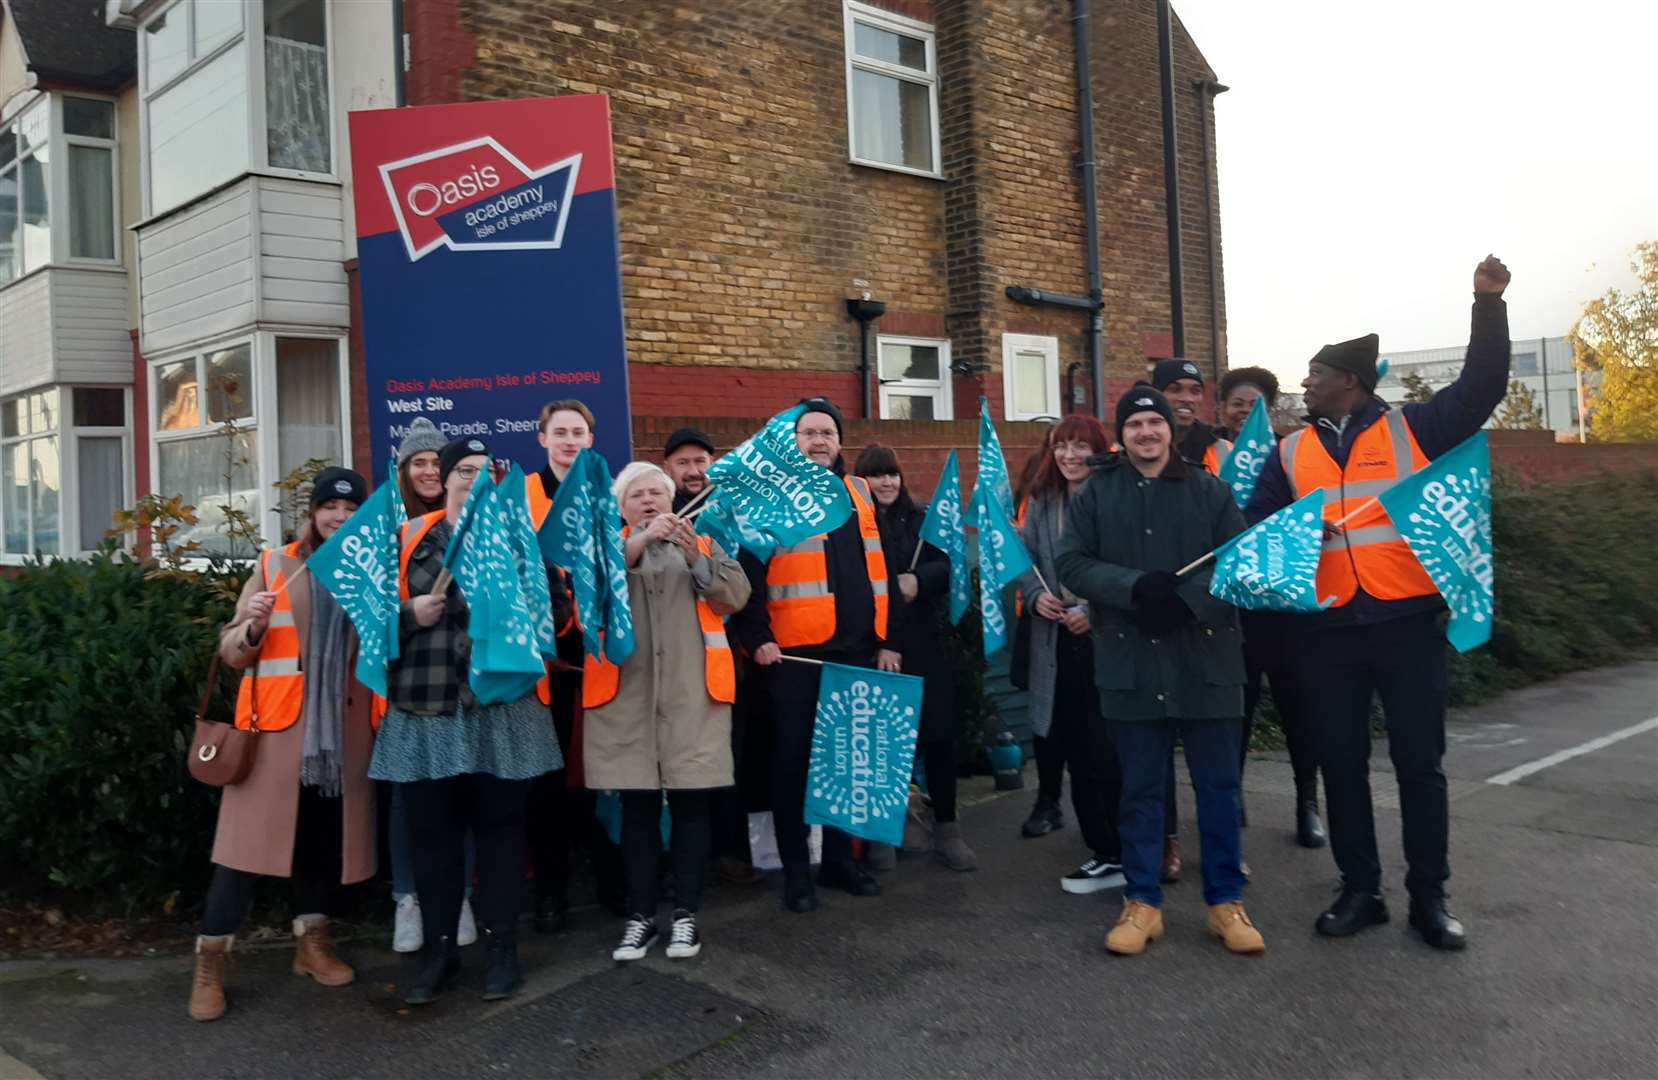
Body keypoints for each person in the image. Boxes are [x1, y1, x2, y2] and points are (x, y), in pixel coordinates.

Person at [1244, 255, 1513, 950]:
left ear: (1350, 383)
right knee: (1341, 763)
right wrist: (1304, 529)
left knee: (1420, 765)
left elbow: (1482, 387)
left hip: (1406, 622)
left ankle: (1431, 897)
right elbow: (1257, 531)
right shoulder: (1289, 452)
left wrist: (1487, 303)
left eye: (1314, 374)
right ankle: (1360, 890)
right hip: (1326, 630)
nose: (1303, 383)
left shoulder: (1412, 430)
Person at [1057, 387, 1263, 957]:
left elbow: (1239, 561)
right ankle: (1143, 903)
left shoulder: (1209, 490)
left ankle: (1226, 903)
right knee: (1141, 793)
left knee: (1219, 790)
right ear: (1121, 435)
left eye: (1155, 422)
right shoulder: (1097, 494)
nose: (1146, 433)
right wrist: (1133, 588)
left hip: (1207, 663)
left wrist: (1187, 602)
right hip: (1131, 664)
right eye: (1134, 425)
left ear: (1170, 429)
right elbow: (1071, 561)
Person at [373, 437, 568, 1005]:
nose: (472, 478)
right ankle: (439, 954)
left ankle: (502, 949)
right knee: (431, 838)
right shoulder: (407, 539)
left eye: (485, 471)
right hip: (425, 710)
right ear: (443, 477)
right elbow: (366, 620)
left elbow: (555, 618)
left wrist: (526, 597)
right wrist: (408, 613)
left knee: (502, 834)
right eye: (463, 469)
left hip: (500, 711)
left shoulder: (518, 539)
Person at [189, 468, 379, 1022]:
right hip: (273, 737)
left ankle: (311, 945)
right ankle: (210, 962)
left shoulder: (367, 571)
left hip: (340, 737)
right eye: (330, 509)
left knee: (319, 844)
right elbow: (231, 651)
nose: (339, 518)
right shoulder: (275, 565)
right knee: (240, 857)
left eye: (350, 511)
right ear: (313, 512)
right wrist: (249, 626)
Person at [583, 462, 751, 960]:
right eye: (639, 495)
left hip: (691, 700)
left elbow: (736, 595)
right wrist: (635, 543)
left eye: (658, 493)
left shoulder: (700, 543)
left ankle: (686, 916)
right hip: (626, 700)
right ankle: (640, 916)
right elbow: (584, 595)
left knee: (690, 808)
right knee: (635, 810)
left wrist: (694, 555)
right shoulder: (604, 546)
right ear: (621, 505)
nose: (651, 502)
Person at [729, 396, 892, 912]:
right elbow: (748, 575)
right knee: (792, 768)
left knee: (846, 768)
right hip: (794, 659)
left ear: (840, 442)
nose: (818, 441)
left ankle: (841, 861)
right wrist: (756, 638)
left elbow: (879, 569)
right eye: (808, 434)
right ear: (791, 443)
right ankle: (798, 872)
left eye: (827, 433)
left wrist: (890, 640)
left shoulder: (860, 493)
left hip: (858, 654)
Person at [1213, 369, 1326, 848]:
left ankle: (1307, 802)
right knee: (1233, 710)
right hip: (1228, 607)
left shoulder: (1290, 452)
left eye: (1254, 402)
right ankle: (1231, 796)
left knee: (1298, 707)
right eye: (1236, 402)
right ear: (1222, 409)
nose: (1244, 410)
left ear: (1270, 407)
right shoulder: (1204, 453)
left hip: (1282, 604)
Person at [523, 398, 624, 931]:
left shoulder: (605, 493)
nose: (569, 441)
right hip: (547, 666)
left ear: (590, 438)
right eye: (559, 432)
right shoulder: (520, 495)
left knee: (604, 776)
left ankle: (612, 882)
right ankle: (551, 893)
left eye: (578, 432)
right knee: (548, 782)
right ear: (542, 438)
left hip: (600, 658)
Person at [854, 443, 977, 872]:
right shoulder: (853, 525)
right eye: (875, 475)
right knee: (883, 745)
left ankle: (948, 829)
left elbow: (950, 568)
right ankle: (884, 834)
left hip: (926, 648)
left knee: (939, 739)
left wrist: (918, 581)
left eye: (891, 474)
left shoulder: (924, 521)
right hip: (876, 650)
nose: (886, 483)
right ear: (860, 481)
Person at [1017, 415, 1125, 894]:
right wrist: (1035, 596)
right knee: (1075, 750)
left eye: (1080, 447)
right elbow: (1022, 561)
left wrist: (1094, 611)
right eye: (1061, 447)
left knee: (1109, 754)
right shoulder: (1042, 500)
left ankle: (1128, 848)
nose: (1069, 456)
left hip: (1108, 646)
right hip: (1055, 645)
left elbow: (1130, 571)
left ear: (1099, 451)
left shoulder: (1116, 500)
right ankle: (1103, 850)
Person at [386, 418, 479, 954]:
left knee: (461, 793)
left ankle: (457, 898)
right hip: (408, 691)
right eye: (416, 462)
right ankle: (408, 899)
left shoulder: (479, 523)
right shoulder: (393, 529)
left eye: (433, 462)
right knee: (409, 801)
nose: (426, 470)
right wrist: (407, 614)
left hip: (463, 689)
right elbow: (373, 611)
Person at [1217, 367, 1280, 440]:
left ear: (1269, 410)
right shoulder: (1205, 446)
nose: (1246, 410)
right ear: (1223, 408)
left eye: (1255, 405)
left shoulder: (1284, 449)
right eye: (1237, 404)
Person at [663, 427, 717, 512]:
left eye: (700, 461)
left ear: (712, 463)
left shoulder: (732, 506)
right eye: (682, 463)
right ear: (667, 468)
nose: (693, 472)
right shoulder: (657, 510)